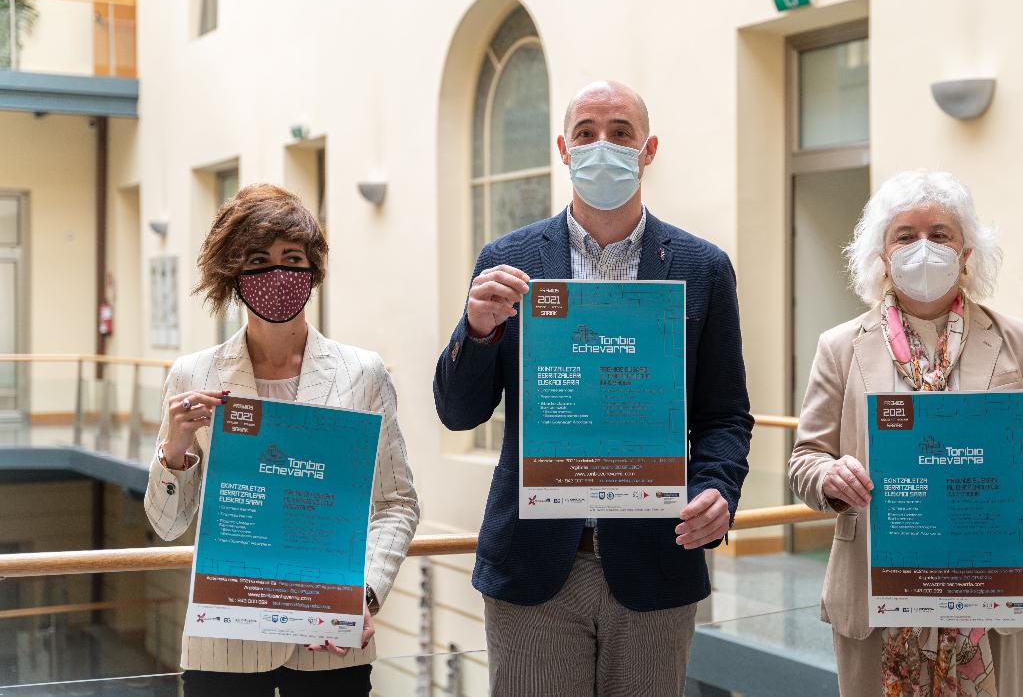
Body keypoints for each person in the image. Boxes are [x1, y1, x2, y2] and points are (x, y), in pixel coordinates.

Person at [433, 80, 752, 696]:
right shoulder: (509, 261)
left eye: (620, 132)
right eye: (586, 133)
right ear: (564, 148)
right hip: (534, 564)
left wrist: (718, 487)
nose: (602, 145)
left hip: (657, 560)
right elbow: (458, 411)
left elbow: (724, 414)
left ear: (648, 148)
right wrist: (476, 330)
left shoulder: (701, 267)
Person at [787, 170, 1023, 697]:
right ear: (882, 251)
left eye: (940, 234)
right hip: (876, 587)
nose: (923, 248)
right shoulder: (841, 346)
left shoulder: (1017, 341)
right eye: (905, 235)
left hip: (989, 585)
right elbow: (806, 459)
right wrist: (831, 476)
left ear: (966, 251)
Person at [143, 184, 419, 697]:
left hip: (331, 642)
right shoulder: (192, 375)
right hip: (224, 643)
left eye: (292, 258)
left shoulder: (363, 373)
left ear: (312, 271)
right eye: (259, 259)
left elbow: (396, 504)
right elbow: (167, 524)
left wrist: (364, 593)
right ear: (233, 274)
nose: (277, 274)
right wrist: (175, 451)